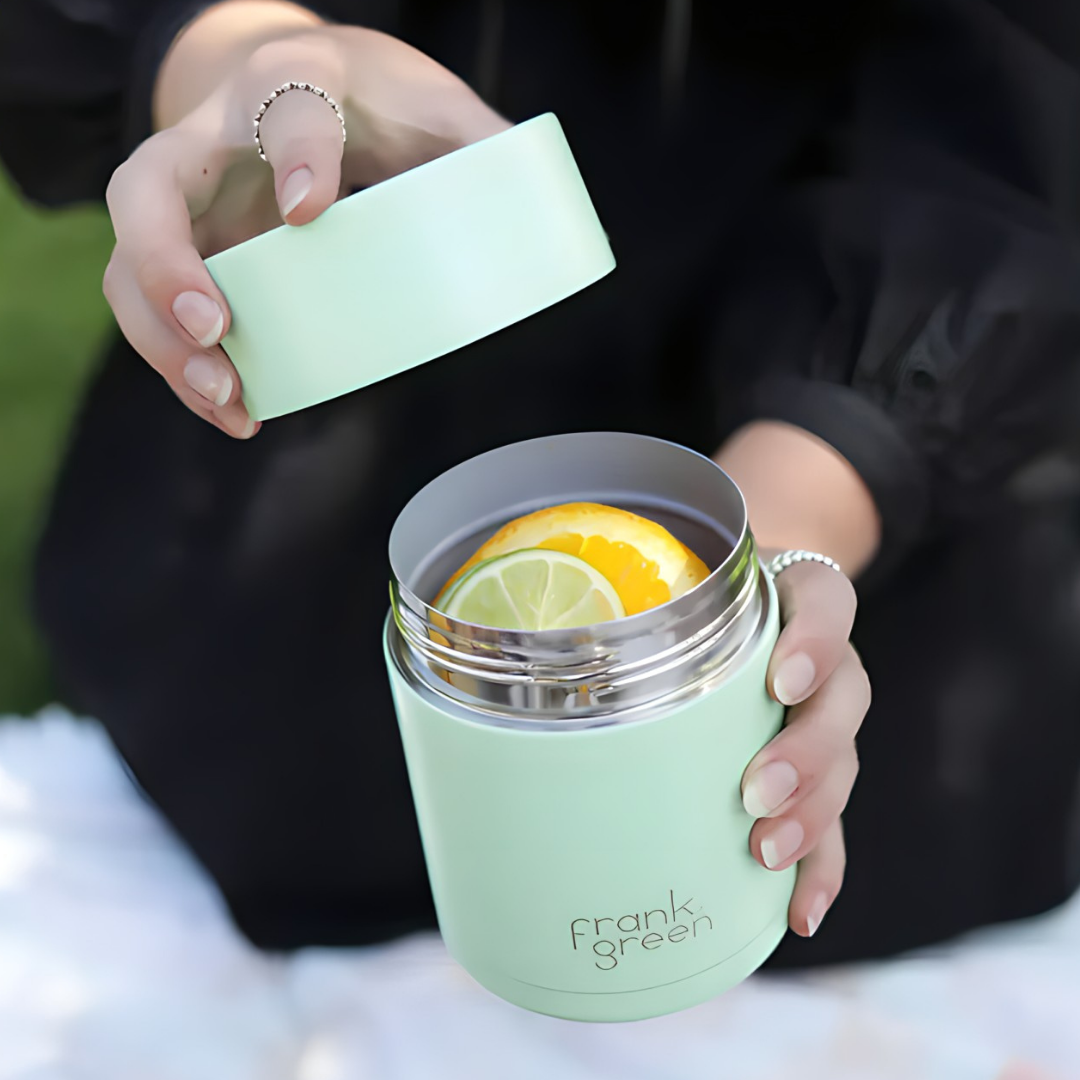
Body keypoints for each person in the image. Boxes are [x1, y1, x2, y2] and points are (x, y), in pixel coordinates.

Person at [0, 0, 1077, 967]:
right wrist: (243, 54)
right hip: (285, 661)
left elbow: (1017, 105)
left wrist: (774, 558)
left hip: (901, 689)